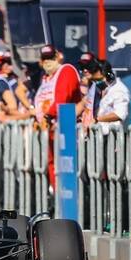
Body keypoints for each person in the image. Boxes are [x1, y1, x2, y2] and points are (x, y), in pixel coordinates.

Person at [34, 44, 82, 189]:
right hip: (49, 130)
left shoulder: (66, 70)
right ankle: (57, 198)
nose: (47, 61)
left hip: (66, 129)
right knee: (53, 166)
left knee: (66, 167)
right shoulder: (46, 78)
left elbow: (62, 99)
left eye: (51, 58)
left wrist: (48, 116)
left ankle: (71, 203)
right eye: (44, 59)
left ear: (58, 57)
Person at [94, 60, 130, 134]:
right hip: (98, 136)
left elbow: (120, 114)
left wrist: (97, 119)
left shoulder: (119, 90)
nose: (96, 81)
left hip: (112, 137)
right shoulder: (103, 89)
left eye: (98, 79)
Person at [76, 52, 103, 128]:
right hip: (85, 132)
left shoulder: (101, 86)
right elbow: (81, 105)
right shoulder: (86, 86)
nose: (85, 70)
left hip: (98, 131)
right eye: (82, 67)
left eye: (88, 66)